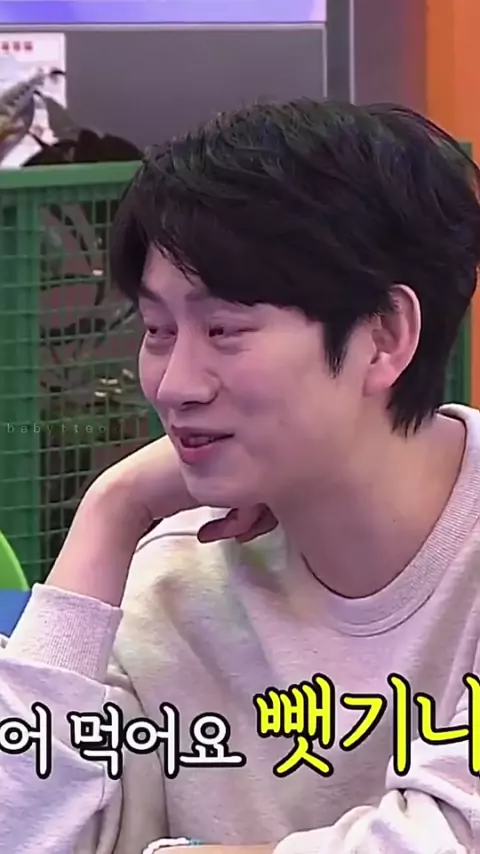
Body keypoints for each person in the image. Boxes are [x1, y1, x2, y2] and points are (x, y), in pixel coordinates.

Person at [1, 98, 480, 854]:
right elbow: (24, 828)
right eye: (158, 330)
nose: (174, 385)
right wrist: (112, 509)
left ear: (384, 336)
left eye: (224, 329)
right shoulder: (174, 578)